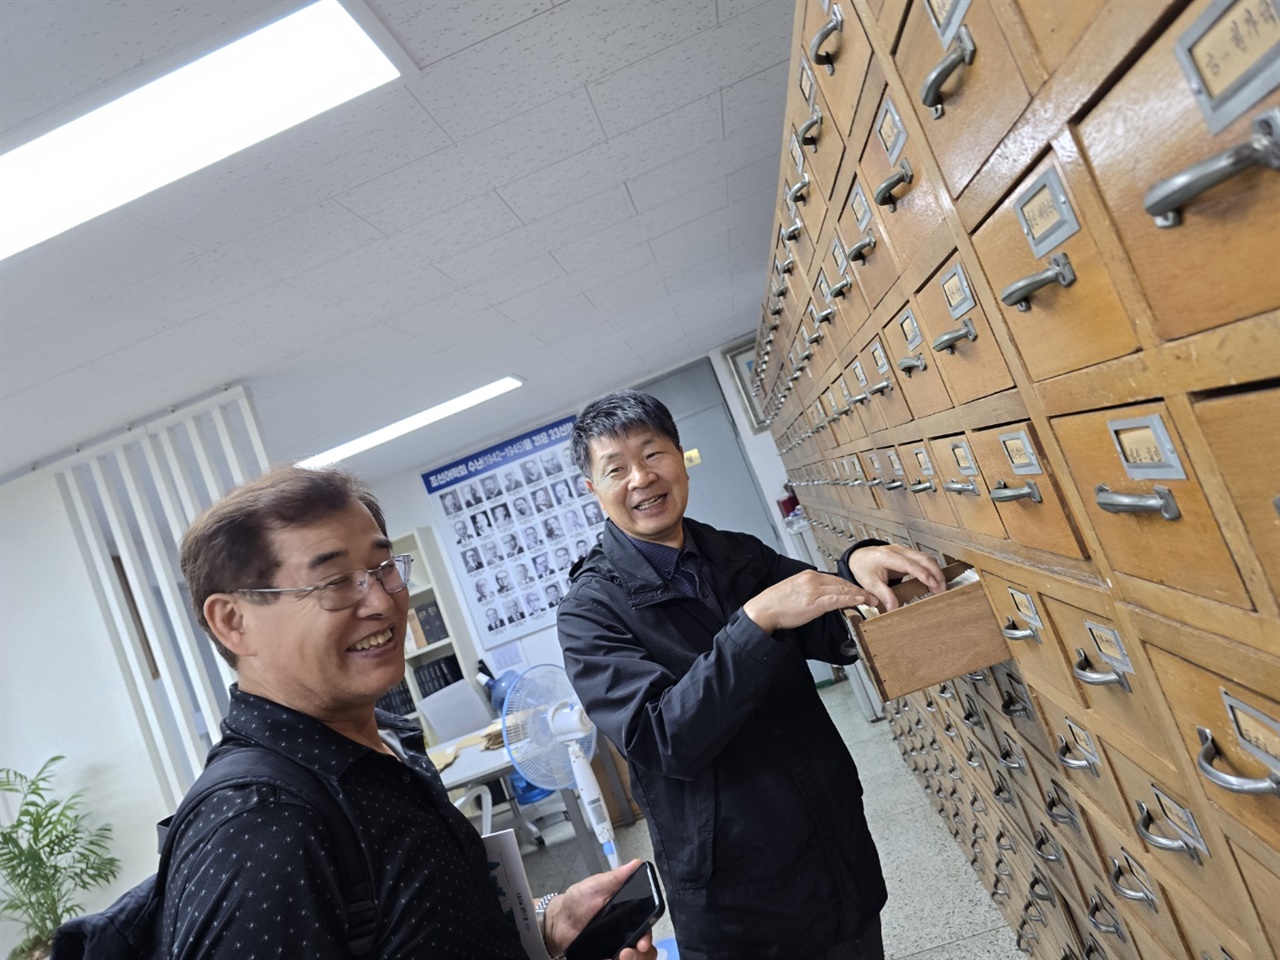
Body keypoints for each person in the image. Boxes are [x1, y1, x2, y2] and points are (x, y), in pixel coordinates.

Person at [170, 465, 656, 959]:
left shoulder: (390, 746)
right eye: (336, 581)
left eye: (383, 568)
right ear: (234, 622)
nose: (382, 600)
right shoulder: (262, 828)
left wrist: (545, 924)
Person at [556, 391, 946, 960]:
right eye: (616, 469)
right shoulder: (590, 612)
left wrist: (857, 564)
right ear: (594, 490)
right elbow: (663, 738)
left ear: (680, 457)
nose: (642, 478)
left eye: (653, 454)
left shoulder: (736, 553)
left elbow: (826, 621)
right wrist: (756, 622)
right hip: (739, 902)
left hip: (834, 855)